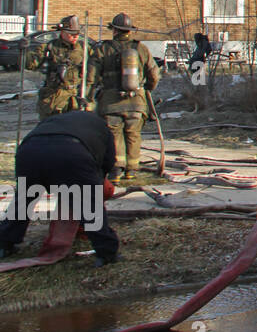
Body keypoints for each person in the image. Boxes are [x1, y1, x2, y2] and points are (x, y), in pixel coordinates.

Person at [0, 111, 120, 265]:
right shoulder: (102, 126)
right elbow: (108, 162)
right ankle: (106, 253)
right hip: (71, 153)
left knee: (23, 201)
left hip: (29, 152)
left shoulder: (54, 120)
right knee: (88, 206)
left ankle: (4, 244)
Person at [95, 13, 160, 180]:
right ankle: (132, 170)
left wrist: (90, 94)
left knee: (114, 135)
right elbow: (154, 73)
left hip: (111, 103)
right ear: (129, 31)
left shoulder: (103, 49)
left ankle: (116, 170)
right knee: (133, 134)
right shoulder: (141, 48)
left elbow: (91, 74)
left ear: (114, 30)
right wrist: (147, 89)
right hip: (136, 102)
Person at [25, 15, 96, 119]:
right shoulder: (50, 47)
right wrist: (25, 51)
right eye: (71, 34)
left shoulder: (85, 49)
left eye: (77, 33)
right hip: (55, 97)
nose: (75, 36)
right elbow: (31, 65)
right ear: (62, 32)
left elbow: (95, 70)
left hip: (76, 97)